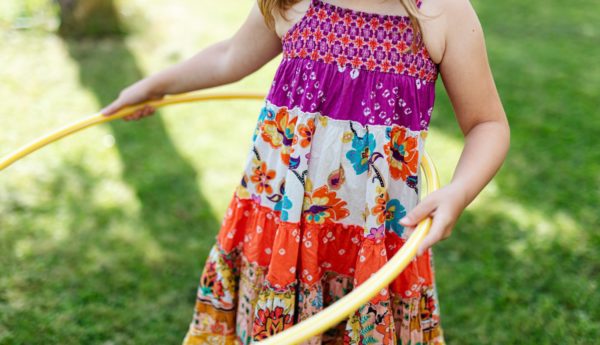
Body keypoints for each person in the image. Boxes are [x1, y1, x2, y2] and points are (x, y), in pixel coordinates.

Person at [101, 0, 510, 343]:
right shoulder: (294, 1)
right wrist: (154, 85)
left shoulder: (441, 13)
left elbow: (487, 124)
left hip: (371, 237)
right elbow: (228, 57)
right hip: (281, 226)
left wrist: (458, 193)